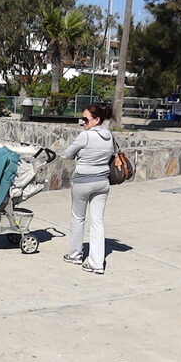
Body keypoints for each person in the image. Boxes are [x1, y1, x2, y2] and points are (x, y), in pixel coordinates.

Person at [62, 104, 116, 275]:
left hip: (83, 182)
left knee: (78, 218)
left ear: (97, 120)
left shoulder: (85, 136)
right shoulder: (109, 136)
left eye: (85, 119)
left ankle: (75, 255)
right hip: (102, 182)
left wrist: (81, 154)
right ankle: (96, 263)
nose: (82, 122)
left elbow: (68, 154)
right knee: (97, 221)